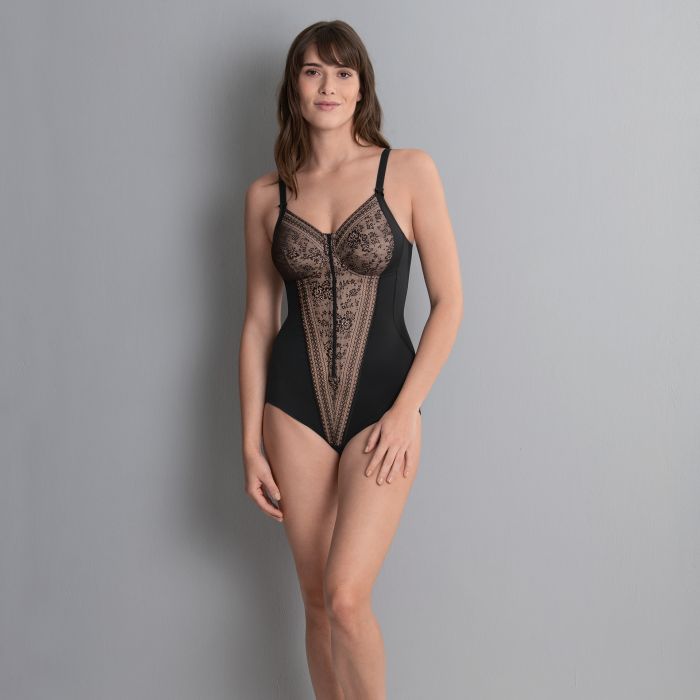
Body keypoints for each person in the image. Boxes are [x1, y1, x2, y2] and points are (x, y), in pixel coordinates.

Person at [239, 20, 462, 699]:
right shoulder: (266, 196)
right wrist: (249, 443)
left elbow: (449, 302)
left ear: (362, 87)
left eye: (342, 72)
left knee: (345, 595)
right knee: (315, 600)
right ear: (294, 87)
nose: (327, 86)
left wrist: (406, 412)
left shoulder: (409, 171)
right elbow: (258, 322)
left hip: (383, 406)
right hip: (293, 409)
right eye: (312, 71)